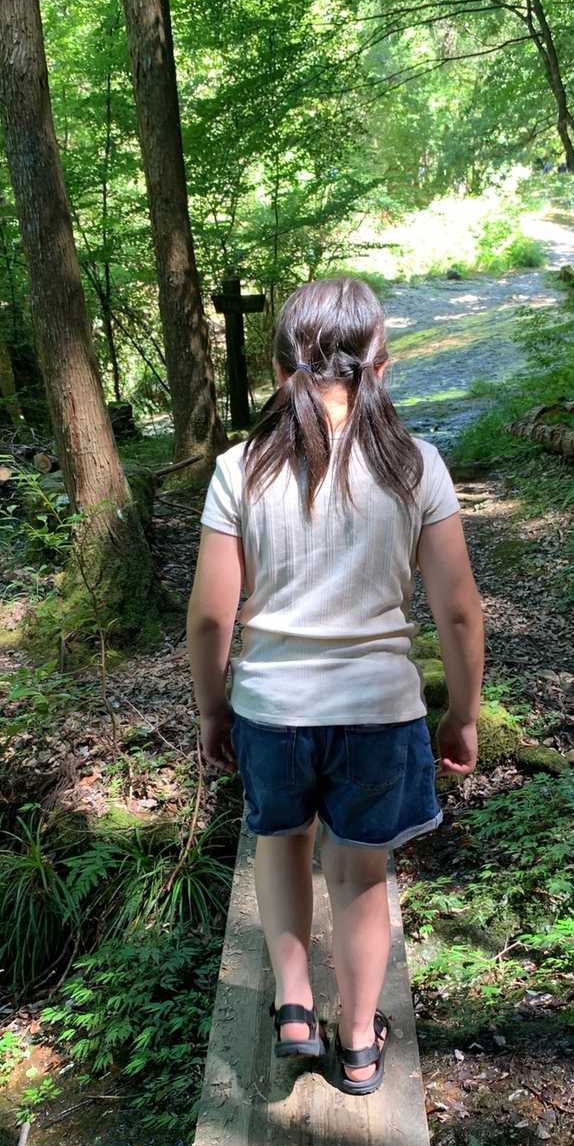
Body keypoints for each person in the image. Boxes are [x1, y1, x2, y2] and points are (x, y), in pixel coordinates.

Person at [186, 276, 484, 1095]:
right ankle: (357, 1043)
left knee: (281, 842)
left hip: (271, 709)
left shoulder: (240, 470)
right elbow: (459, 612)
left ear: (279, 365)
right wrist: (462, 713)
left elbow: (210, 618)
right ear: (381, 362)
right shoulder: (416, 466)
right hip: (379, 712)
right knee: (359, 874)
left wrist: (213, 709)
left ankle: (293, 1003)